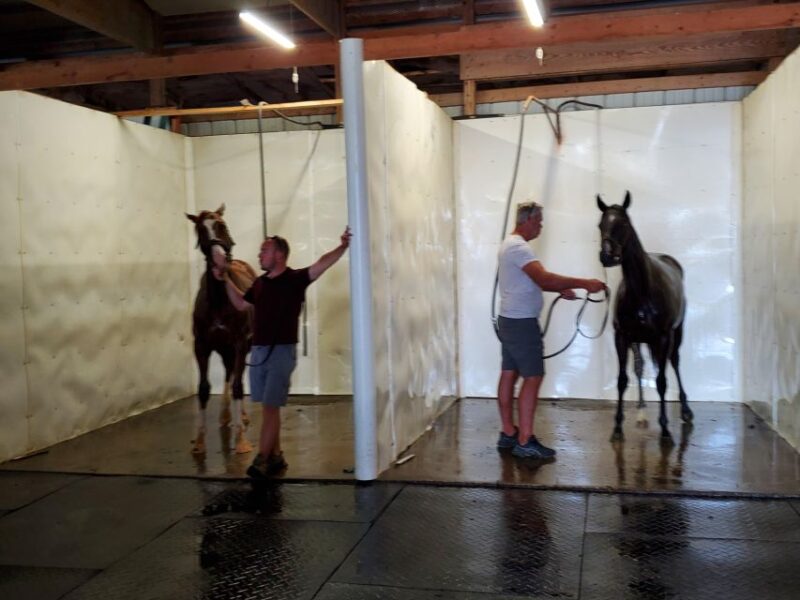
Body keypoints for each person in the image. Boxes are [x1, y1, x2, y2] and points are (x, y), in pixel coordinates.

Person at [221, 227, 351, 478]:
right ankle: (277, 456)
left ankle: (262, 459)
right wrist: (224, 278)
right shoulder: (259, 284)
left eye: (264, 250)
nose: (259, 255)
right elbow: (240, 303)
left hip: (281, 353)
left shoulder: (295, 279)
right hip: (259, 353)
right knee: (269, 408)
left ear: (279, 255)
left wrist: (343, 246)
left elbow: (322, 264)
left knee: (271, 407)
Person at [496, 202, 605, 459]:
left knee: (509, 373)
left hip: (510, 320)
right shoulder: (519, 248)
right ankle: (525, 440)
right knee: (532, 377)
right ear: (529, 220)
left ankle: (508, 432)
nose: (541, 226)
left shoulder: (508, 245)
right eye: (540, 221)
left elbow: (531, 281)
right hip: (522, 323)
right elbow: (543, 278)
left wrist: (559, 289)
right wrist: (585, 283)